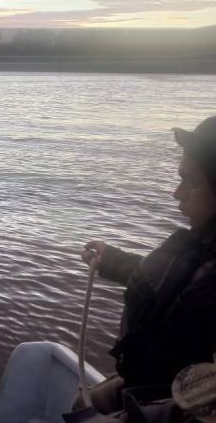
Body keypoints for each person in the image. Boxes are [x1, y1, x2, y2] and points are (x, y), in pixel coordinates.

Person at [75, 116, 216, 419]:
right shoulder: (203, 245)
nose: (177, 193)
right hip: (151, 382)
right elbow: (172, 286)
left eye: (190, 182)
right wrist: (110, 259)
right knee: (86, 404)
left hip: (183, 403)